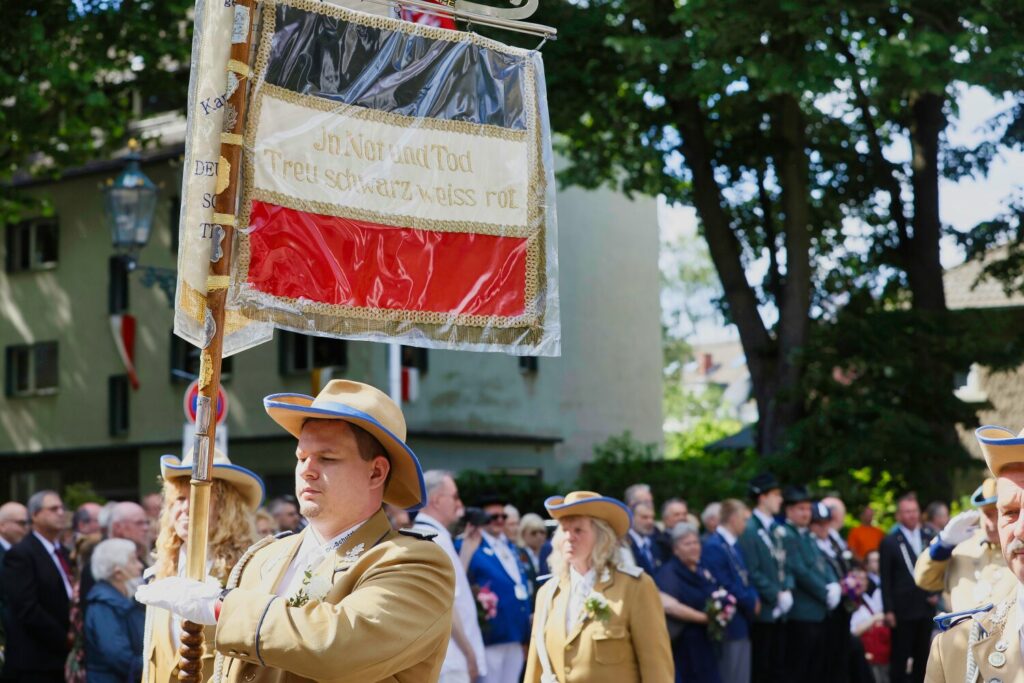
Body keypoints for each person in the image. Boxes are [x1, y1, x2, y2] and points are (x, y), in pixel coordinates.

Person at [136, 379, 455, 683]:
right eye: (301, 457)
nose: (307, 470)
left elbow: (338, 647)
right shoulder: (264, 556)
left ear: (376, 472)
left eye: (327, 458)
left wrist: (220, 606)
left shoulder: (415, 562)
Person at [140, 447, 264, 683]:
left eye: (197, 498)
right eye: (179, 499)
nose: (185, 508)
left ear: (226, 508)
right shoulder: (161, 572)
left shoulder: (246, 572)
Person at [524, 491, 673, 682]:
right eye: (564, 529)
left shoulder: (636, 587)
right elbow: (534, 672)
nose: (569, 537)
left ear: (602, 537)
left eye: (578, 530)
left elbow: (657, 670)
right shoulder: (548, 593)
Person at [924, 424, 1024, 681]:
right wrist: (942, 546)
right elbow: (925, 580)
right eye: (1009, 512)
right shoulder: (950, 651)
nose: (1020, 530)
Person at [412, 470, 487, 683]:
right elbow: (446, 605)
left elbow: (452, 588)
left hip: (451, 658)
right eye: (454, 496)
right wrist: (469, 654)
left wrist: (467, 552)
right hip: (452, 660)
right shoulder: (433, 539)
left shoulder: (432, 536)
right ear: (436, 500)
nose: (459, 503)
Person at [1, 490, 72, 683]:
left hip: (61, 661)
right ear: (34, 516)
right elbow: (27, 608)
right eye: (52, 508)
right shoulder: (21, 554)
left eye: (61, 508)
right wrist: (65, 638)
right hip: (34, 663)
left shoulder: (64, 553)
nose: (60, 512)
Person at [913, 478, 1014, 612]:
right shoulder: (962, 544)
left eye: (1001, 514)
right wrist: (943, 544)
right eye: (988, 515)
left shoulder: (1018, 549)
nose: (992, 523)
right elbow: (924, 580)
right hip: (963, 632)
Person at [462, 494, 531, 683]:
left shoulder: (511, 547)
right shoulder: (469, 544)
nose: (499, 521)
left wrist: (526, 634)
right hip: (489, 636)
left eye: (503, 517)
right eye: (493, 517)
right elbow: (460, 582)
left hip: (515, 634)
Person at [780, 485, 841, 683]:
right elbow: (799, 570)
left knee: (815, 669)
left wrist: (834, 584)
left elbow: (821, 563)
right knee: (800, 669)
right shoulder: (787, 534)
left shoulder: (805, 535)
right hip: (802, 611)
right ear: (789, 511)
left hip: (817, 612)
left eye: (807, 509)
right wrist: (825, 592)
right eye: (801, 508)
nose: (806, 513)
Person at [737, 473, 793, 683]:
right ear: (762, 497)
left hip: (781, 609)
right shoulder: (750, 529)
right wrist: (775, 594)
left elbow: (786, 562)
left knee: (779, 665)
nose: (780, 500)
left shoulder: (776, 528)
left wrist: (787, 587)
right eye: (776, 494)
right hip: (765, 610)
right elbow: (752, 569)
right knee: (763, 667)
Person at [879, 493, 936, 683]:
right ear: (899, 515)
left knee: (923, 655)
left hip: (926, 605)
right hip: (902, 609)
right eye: (906, 512)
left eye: (914, 511)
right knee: (900, 655)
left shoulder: (929, 536)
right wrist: (888, 610)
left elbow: (938, 568)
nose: (911, 515)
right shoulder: (890, 541)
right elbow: (885, 578)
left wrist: (935, 593)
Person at [656, 523, 722, 683]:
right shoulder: (669, 573)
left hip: (706, 642)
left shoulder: (701, 569)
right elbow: (670, 607)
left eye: (696, 543)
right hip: (685, 646)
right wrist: (704, 618)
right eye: (687, 544)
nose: (694, 547)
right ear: (675, 549)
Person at [702, 499, 758, 683]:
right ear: (733, 518)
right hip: (731, 620)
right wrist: (750, 600)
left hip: (742, 618)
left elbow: (745, 576)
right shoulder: (714, 546)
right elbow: (725, 583)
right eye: (743, 519)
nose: (746, 524)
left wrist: (753, 597)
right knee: (732, 672)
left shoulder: (732, 544)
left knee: (741, 672)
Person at [83, 538, 145, 683]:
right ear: (118, 573)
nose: (140, 566)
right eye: (133, 561)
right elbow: (120, 658)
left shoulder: (123, 600)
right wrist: (155, 660)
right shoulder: (103, 606)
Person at [810, 501, 850, 683]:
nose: (823, 527)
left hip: (842, 607)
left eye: (826, 522)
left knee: (840, 657)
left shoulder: (834, 541)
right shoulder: (811, 545)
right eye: (819, 523)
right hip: (823, 609)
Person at [850, 565, 890, 683]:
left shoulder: (866, 598)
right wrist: (873, 620)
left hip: (877, 651)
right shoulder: (849, 601)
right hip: (860, 653)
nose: (862, 582)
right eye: (859, 578)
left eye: (864, 579)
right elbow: (853, 632)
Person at [654, 498, 688, 565]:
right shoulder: (661, 543)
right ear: (666, 518)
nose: (682, 518)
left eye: (684, 514)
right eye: (677, 515)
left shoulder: (694, 539)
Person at [627, 502, 658, 574]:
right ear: (631, 517)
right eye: (644, 517)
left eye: (652, 517)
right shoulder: (624, 543)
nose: (650, 521)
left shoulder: (655, 541)